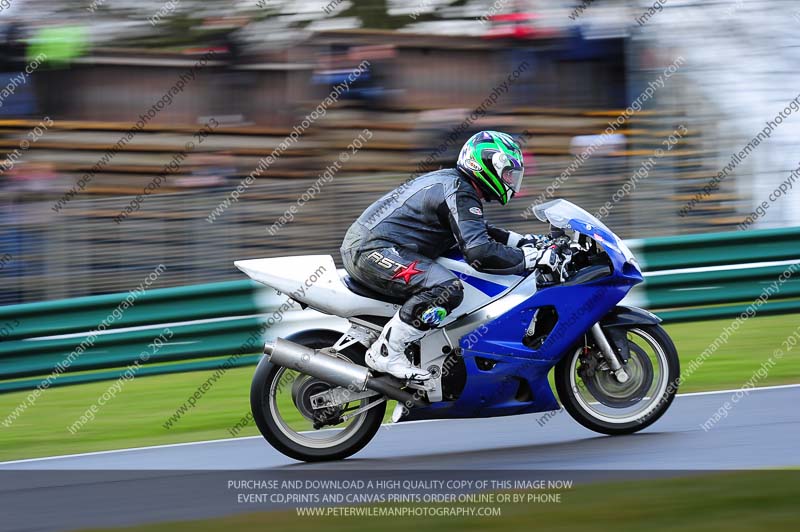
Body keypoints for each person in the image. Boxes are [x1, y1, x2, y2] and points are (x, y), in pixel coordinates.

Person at [340, 131, 565, 381]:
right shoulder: (458, 189)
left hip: (377, 246)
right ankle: (388, 353)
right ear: (487, 164)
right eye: (508, 172)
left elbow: (478, 231)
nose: (511, 180)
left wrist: (524, 242)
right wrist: (530, 259)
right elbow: (479, 251)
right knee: (446, 288)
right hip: (372, 249)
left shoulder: (457, 186)